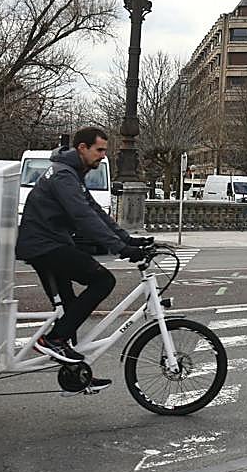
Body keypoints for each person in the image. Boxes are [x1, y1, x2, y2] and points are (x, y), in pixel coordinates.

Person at [15, 127, 151, 393]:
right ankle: (53, 339)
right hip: (44, 246)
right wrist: (119, 248)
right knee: (103, 280)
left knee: (70, 311)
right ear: (82, 148)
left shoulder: (70, 173)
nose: (102, 155)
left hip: (50, 243)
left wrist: (127, 239)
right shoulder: (65, 176)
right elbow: (82, 217)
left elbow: (94, 210)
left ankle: (77, 376)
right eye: (99, 150)